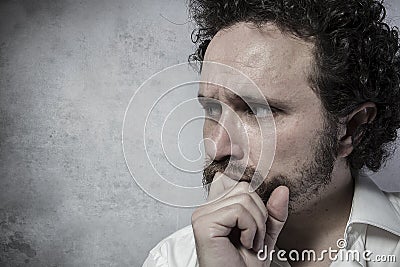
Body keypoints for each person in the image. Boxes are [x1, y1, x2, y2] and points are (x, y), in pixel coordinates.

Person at [143, 0, 400, 266]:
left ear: (351, 129)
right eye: (213, 109)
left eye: (257, 112)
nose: (216, 147)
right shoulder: (170, 259)